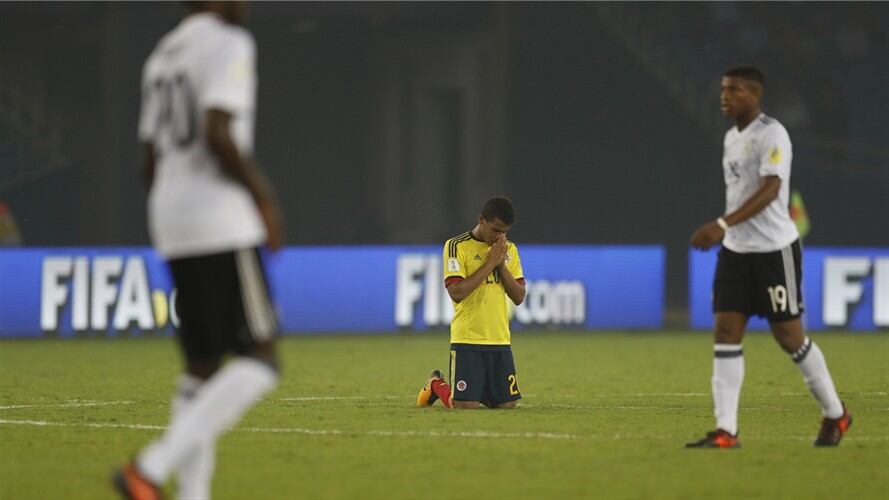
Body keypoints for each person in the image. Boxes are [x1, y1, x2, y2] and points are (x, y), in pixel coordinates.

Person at [114, 2, 283, 498]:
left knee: (202, 366)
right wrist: (263, 201)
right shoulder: (230, 42)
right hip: (220, 219)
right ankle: (151, 466)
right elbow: (217, 130)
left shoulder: (162, 54)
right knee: (261, 357)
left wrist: (176, 207)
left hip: (171, 216)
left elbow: (149, 158)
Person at [687, 66, 851, 448]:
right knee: (726, 333)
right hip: (736, 252)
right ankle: (727, 431)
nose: (725, 96)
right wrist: (729, 232)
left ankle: (835, 413)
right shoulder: (731, 137)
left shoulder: (772, 133)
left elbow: (772, 189)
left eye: (734, 90)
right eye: (723, 89)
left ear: (755, 95)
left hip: (774, 251)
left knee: (790, 337)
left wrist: (722, 224)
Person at [417, 196, 526, 409]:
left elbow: (519, 296)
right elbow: (457, 292)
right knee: (465, 406)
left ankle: (481, 391)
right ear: (481, 220)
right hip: (468, 340)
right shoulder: (456, 246)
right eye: (495, 230)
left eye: (504, 232)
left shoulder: (509, 250)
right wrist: (491, 262)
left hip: (500, 340)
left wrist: (501, 265)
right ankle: (436, 385)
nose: (499, 237)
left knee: (507, 406)